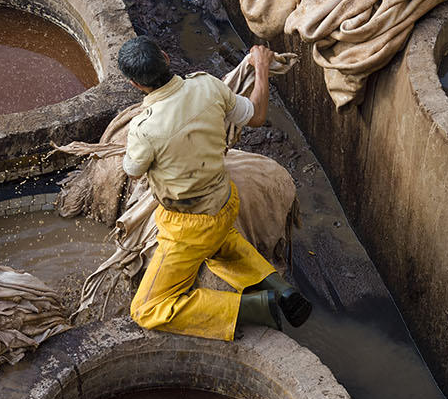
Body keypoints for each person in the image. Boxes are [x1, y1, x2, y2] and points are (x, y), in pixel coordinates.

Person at [118, 36, 311, 340]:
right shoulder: (207, 85)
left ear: (134, 85)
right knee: (222, 242)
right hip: (224, 202)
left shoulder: (144, 129)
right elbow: (257, 116)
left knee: (145, 309)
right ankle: (280, 288)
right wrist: (260, 68)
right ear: (166, 57)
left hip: (187, 226)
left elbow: (131, 171)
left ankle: (257, 306)